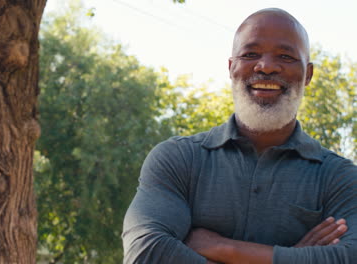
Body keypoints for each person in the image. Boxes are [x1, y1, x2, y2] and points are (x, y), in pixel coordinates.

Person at [122, 8, 357, 264]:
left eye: (285, 56)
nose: (266, 66)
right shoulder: (179, 159)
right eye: (251, 54)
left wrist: (226, 249)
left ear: (308, 74)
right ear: (232, 67)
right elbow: (146, 253)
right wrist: (296, 256)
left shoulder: (340, 178)